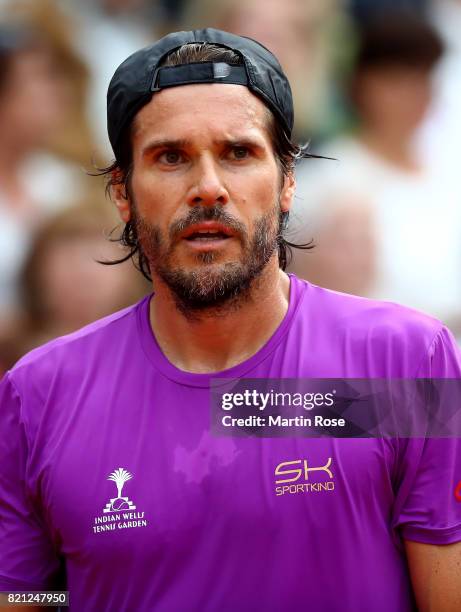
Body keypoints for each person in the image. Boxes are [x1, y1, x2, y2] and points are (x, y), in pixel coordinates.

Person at [0, 29, 460, 612]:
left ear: (288, 180)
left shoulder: (408, 364)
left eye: (238, 153)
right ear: (122, 192)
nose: (208, 188)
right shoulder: (38, 395)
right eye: (171, 157)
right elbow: (27, 595)